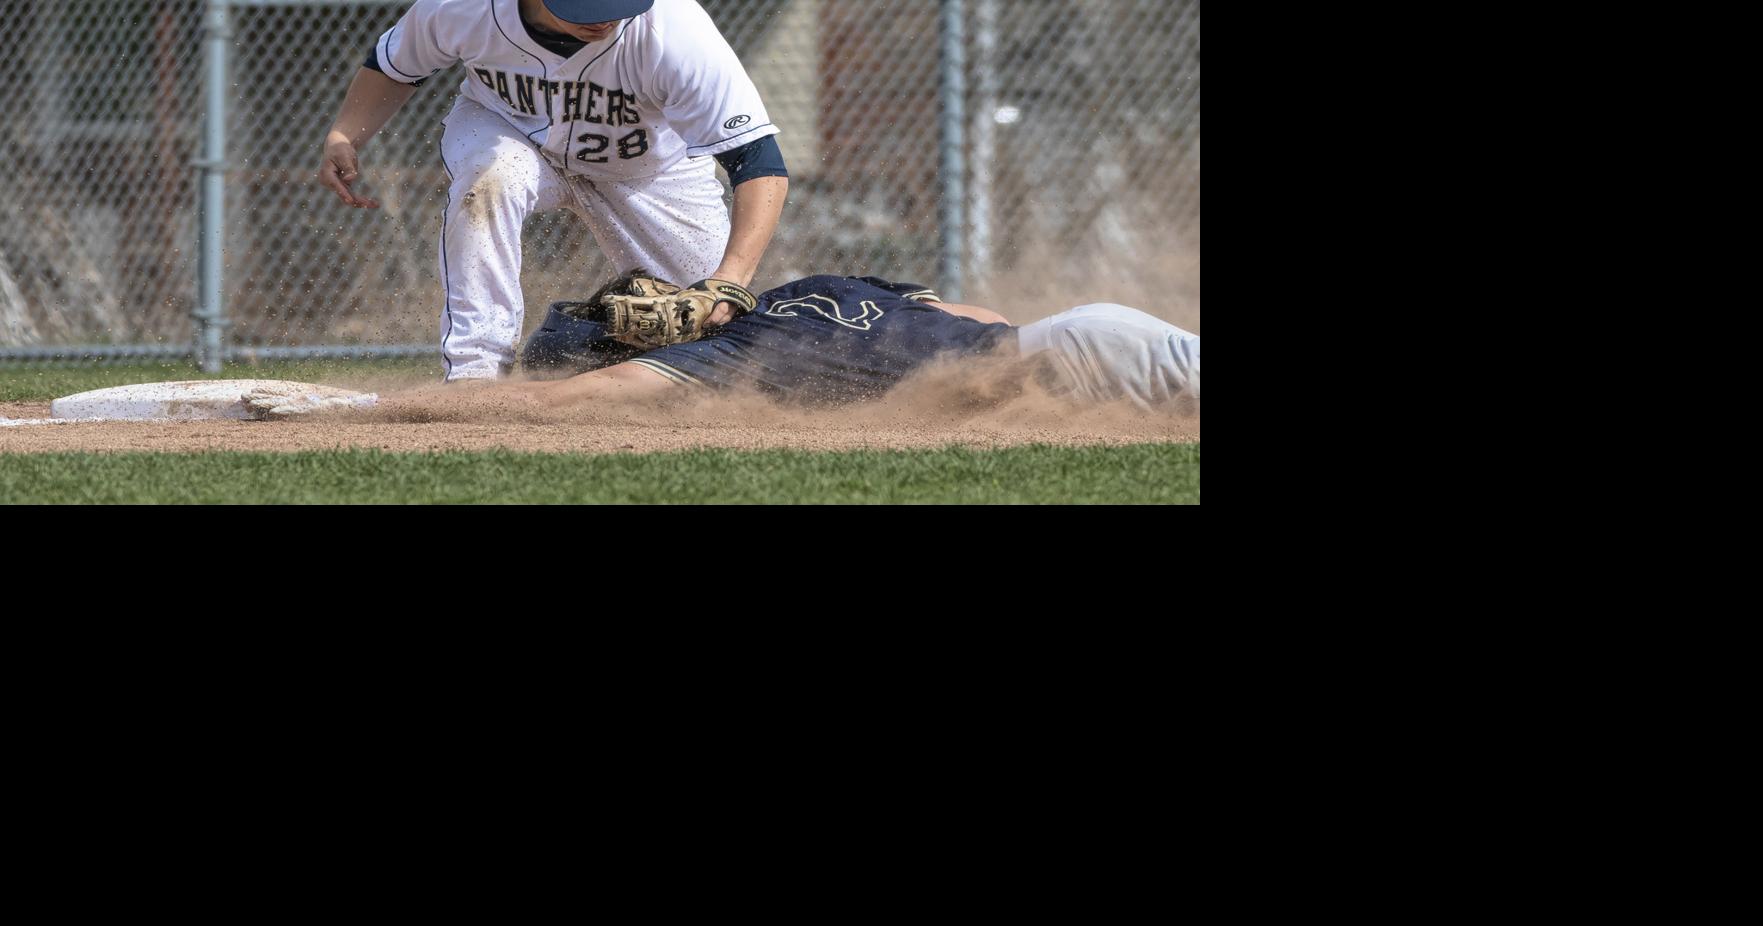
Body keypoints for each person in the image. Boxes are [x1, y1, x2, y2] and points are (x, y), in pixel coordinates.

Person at [318, 0, 789, 381]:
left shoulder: (674, 29)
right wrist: (345, 134)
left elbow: (759, 160)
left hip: (648, 171)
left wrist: (731, 277)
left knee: (711, 326)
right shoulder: (462, 8)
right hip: (509, 135)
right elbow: (395, 64)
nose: (604, 16)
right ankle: (475, 373)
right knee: (490, 181)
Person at [245, 272, 1200, 418]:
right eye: (629, 318)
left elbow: (549, 402)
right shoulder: (757, 326)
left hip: (1076, 355)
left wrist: (389, 404)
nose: (652, 307)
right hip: (1079, 346)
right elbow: (947, 311)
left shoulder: (755, 323)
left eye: (642, 297)